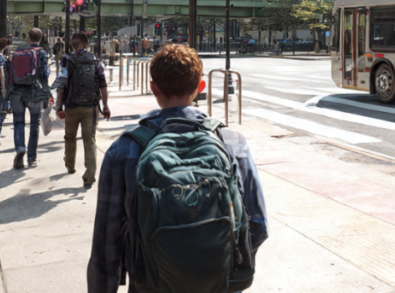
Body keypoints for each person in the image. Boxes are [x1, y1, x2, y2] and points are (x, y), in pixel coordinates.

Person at [88, 45, 267, 292]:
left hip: (150, 284)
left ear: (153, 88)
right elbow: (257, 224)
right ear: (200, 87)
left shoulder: (124, 150)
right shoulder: (231, 142)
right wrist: (222, 268)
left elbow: (107, 240)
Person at [53, 32, 108, 188]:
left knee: (69, 137)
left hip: (71, 107)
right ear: (87, 43)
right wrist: (105, 106)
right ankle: (89, 176)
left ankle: (70, 165)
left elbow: (62, 84)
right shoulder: (96, 60)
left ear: (74, 44)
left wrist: (58, 106)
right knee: (89, 140)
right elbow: (103, 84)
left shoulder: (66, 59)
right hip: (90, 107)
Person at [7, 28, 51, 170]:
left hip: (17, 91)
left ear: (28, 38)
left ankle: (20, 147)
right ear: (41, 37)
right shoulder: (42, 52)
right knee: (34, 124)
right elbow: (45, 74)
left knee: (18, 121)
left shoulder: (19, 51)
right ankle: (31, 158)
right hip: (35, 93)